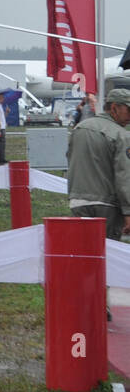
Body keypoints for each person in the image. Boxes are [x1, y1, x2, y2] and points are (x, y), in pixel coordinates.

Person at [66, 88, 130, 322]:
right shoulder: (121, 135)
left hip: (78, 200)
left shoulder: (80, 128)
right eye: (128, 109)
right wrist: (128, 211)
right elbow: (124, 178)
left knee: (84, 255)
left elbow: (70, 159)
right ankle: (101, 305)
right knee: (106, 257)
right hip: (107, 204)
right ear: (114, 108)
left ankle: (84, 302)